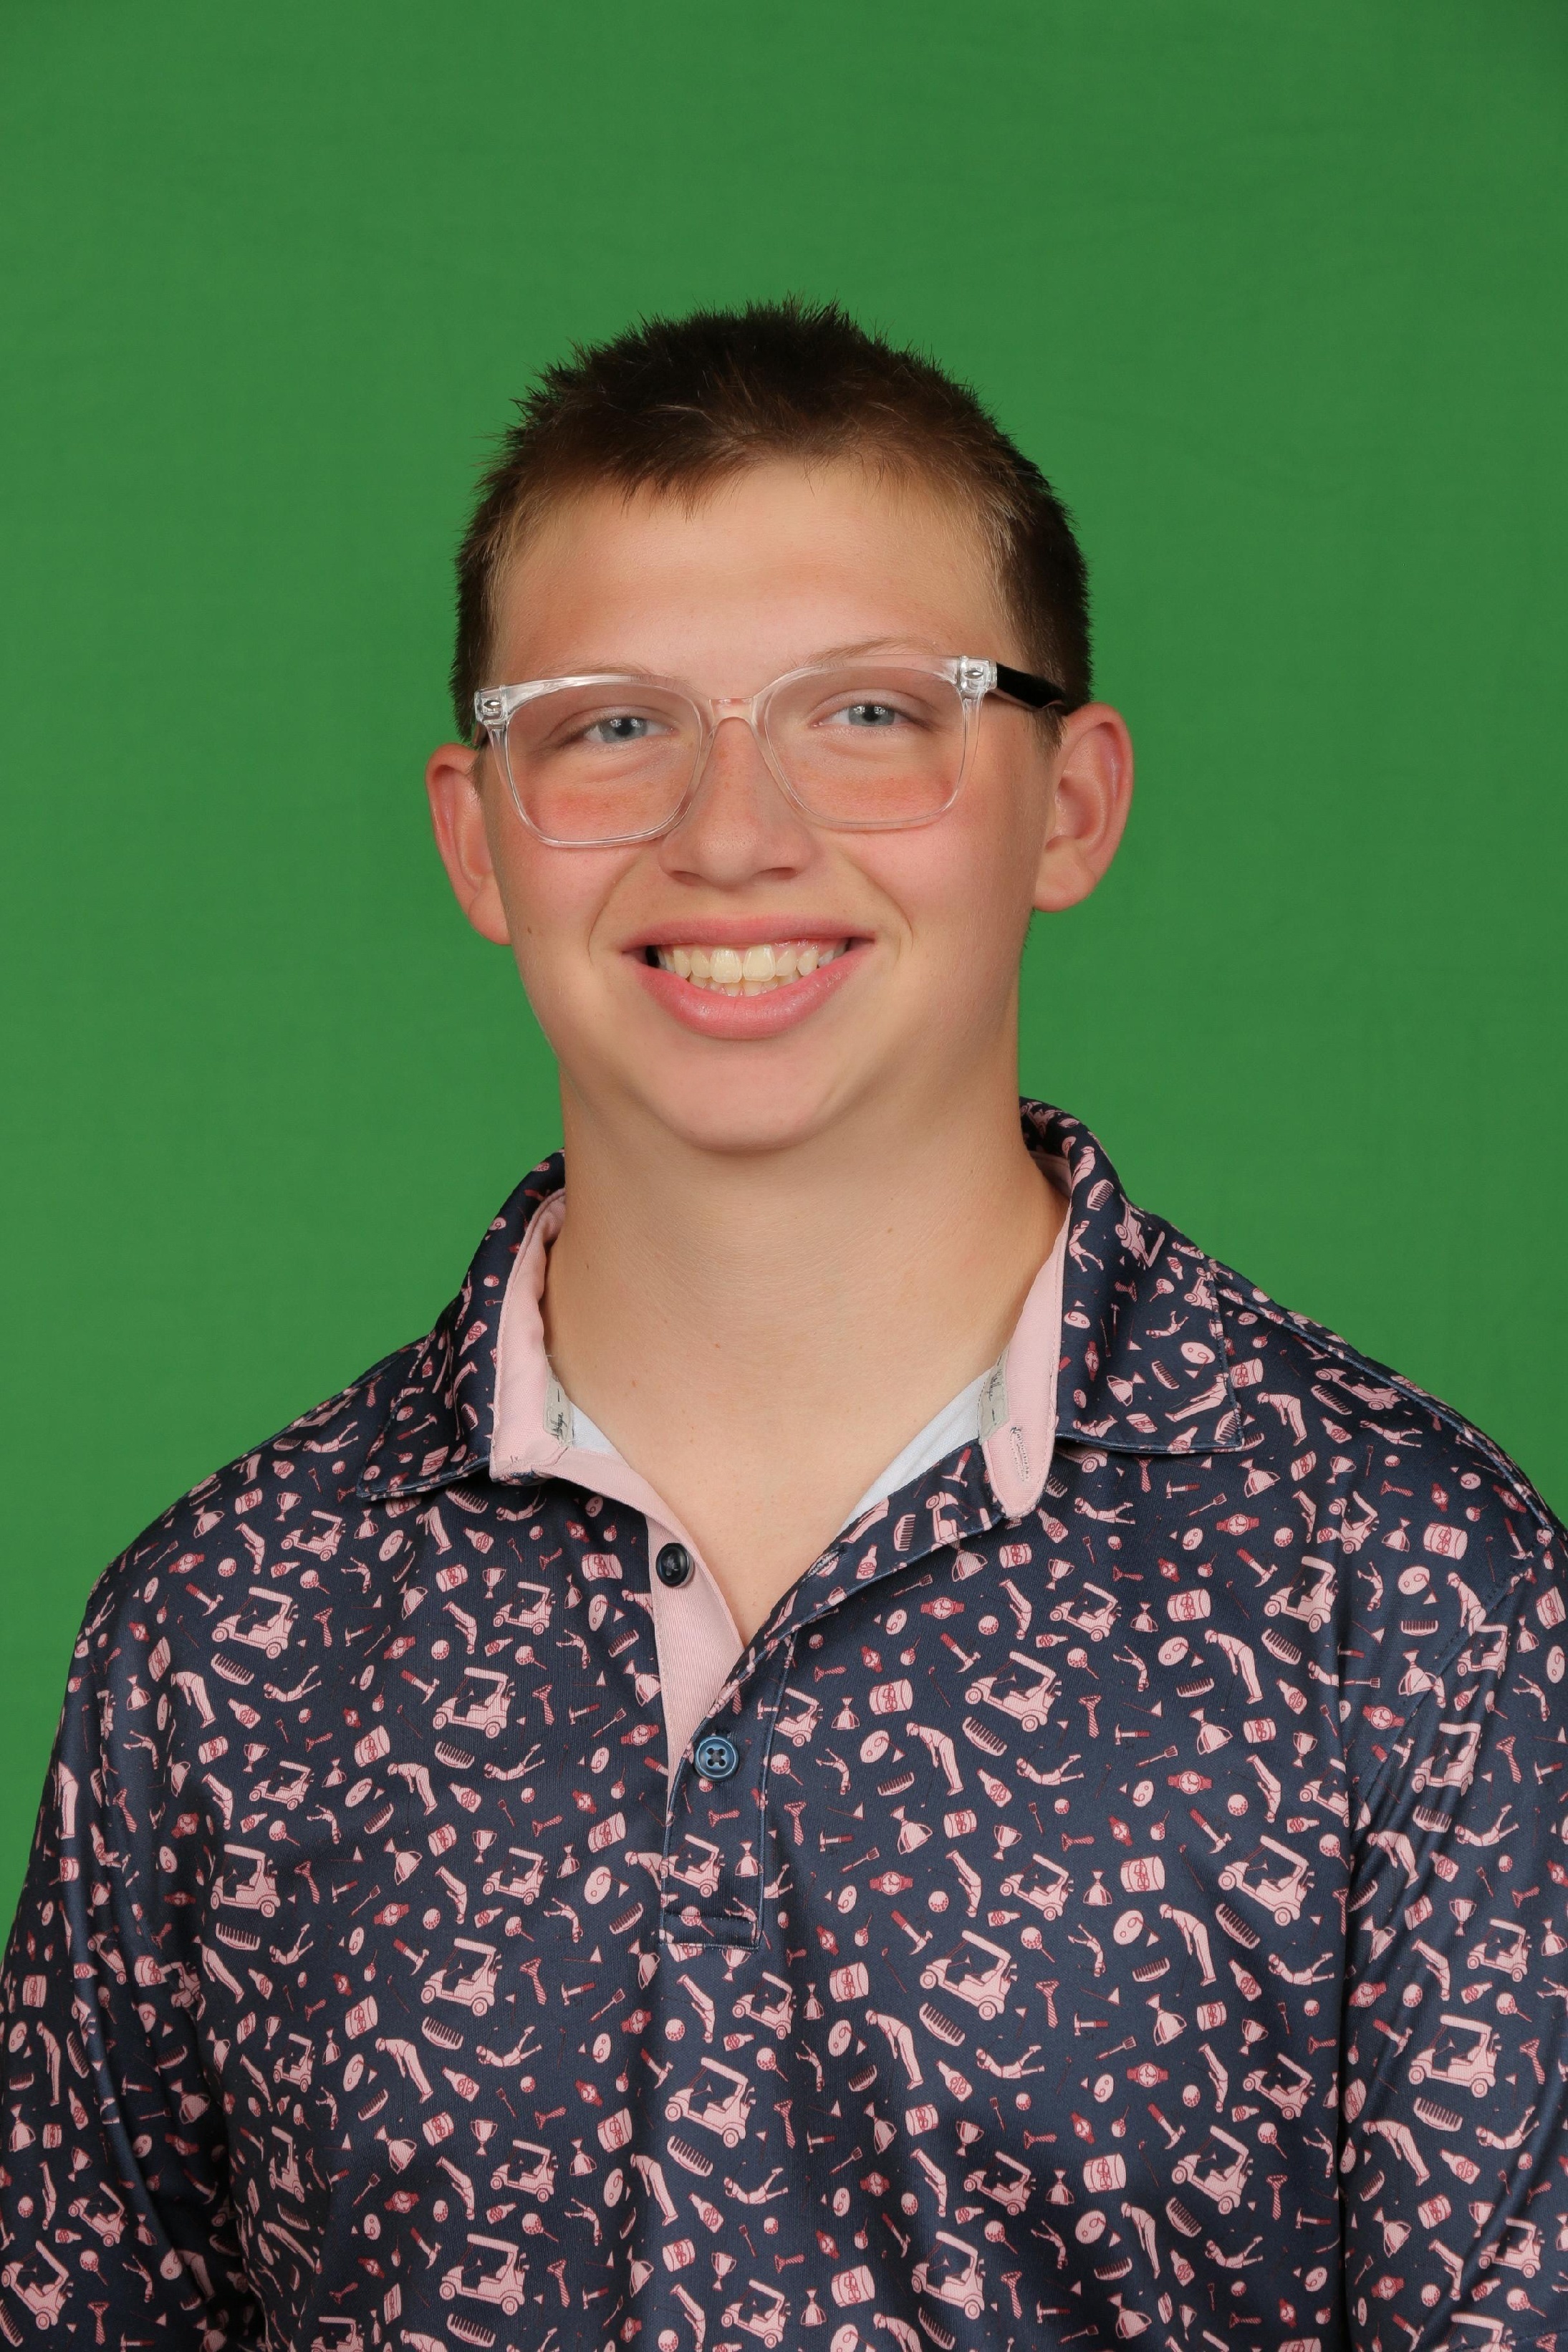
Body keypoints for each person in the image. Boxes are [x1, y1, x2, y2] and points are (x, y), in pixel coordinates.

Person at [0, 299, 1561, 2352]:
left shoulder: (1412, 1593)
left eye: (871, 712)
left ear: (1071, 802)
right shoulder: (221, 1634)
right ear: (478, 834)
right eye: (610, 726)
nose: (732, 833)